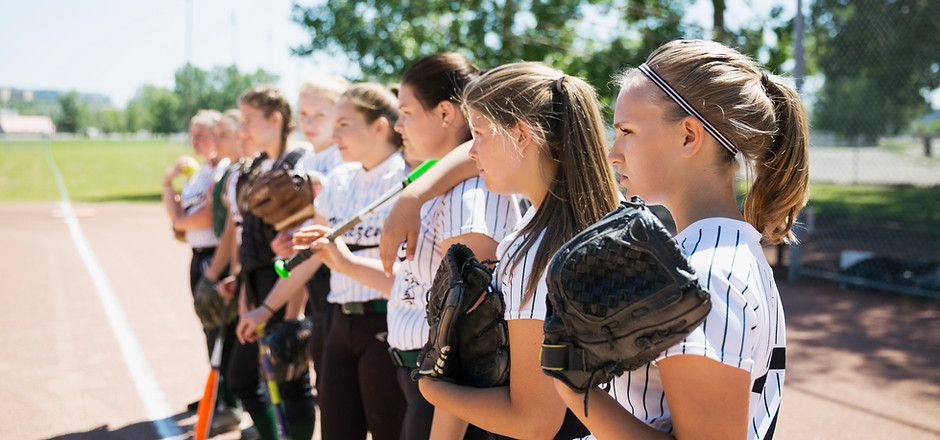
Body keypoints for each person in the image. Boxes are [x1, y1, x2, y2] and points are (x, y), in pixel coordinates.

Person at [552, 39, 807, 440]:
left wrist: (573, 385)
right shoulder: (715, 252)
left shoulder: (705, 271)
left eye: (626, 131)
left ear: (689, 136)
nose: (613, 153)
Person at [415, 62, 621, 439]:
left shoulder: (533, 252)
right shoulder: (617, 219)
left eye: (478, 134)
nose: (472, 152)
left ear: (522, 135)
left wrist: (432, 386)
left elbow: (534, 421)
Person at [238, 83, 408, 440]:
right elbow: (314, 256)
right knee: (336, 430)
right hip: (338, 322)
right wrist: (266, 309)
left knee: (388, 429)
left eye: (344, 124)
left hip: (389, 321)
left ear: (379, 127)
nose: (334, 132)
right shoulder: (341, 178)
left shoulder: (409, 176)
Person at [226, 84, 318, 440]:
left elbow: (303, 246)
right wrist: (246, 290)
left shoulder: (298, 163)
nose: (243, 128)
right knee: (244, 378)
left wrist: (293, 314)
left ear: (275, 119)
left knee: (292, 381)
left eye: (250, 119)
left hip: (285, 287)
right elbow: (248, 237)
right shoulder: (258, 166)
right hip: (259, 285)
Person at [161, 109, 243, 430]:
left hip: (216, 254)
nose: (197, 140)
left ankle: (228, 399)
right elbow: (179, 215)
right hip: (199, 255)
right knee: (209, 325)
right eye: (192, 133)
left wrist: (180, 222)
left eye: (205, 133)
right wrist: (169, 183)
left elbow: (207, 216)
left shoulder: (222, 169)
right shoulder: (201, 172)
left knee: (220, 327)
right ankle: (217, 391)